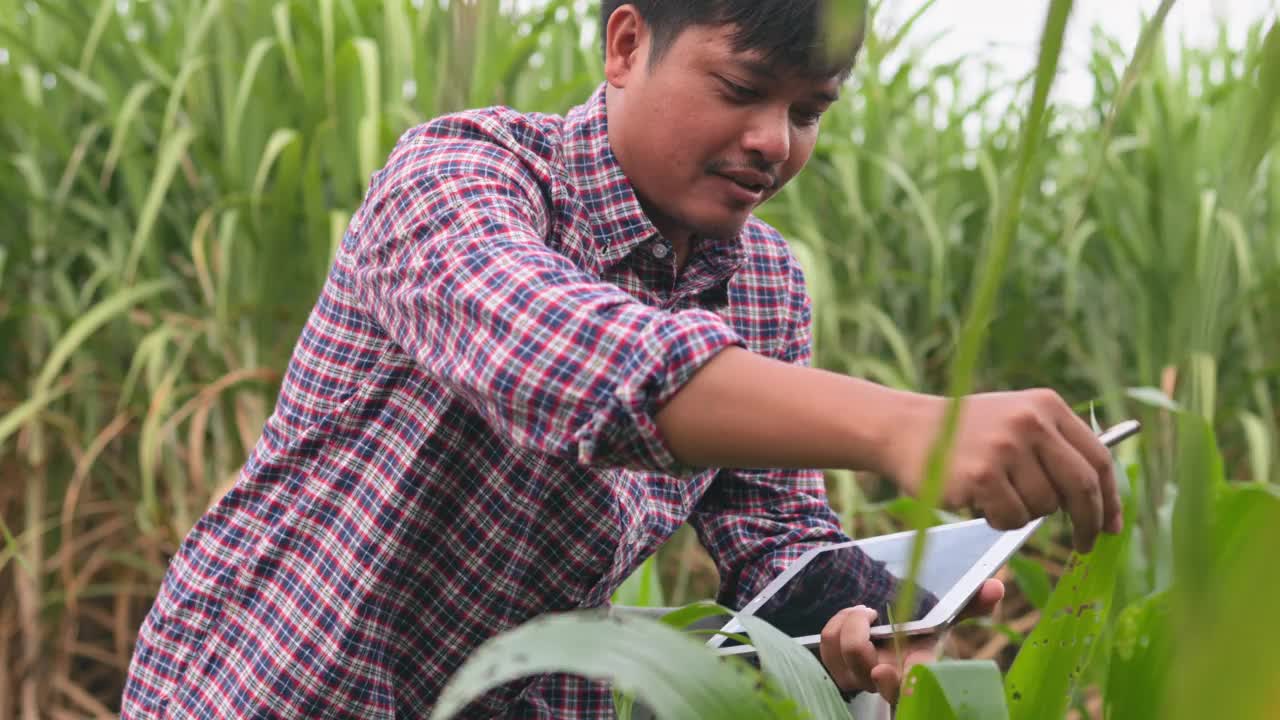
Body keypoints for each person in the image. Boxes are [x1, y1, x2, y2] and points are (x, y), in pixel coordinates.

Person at [120, 1, 1122, 717]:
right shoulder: (463, 178)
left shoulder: (765, 286)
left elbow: (772, 536)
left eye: (807, 111)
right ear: (627, 42)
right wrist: (907, 426)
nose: (772, 140)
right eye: (741, 89)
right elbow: (574, 361)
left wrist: (851, 618)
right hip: (274, 686)